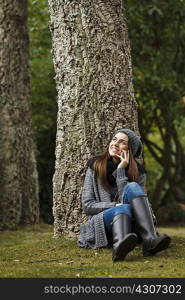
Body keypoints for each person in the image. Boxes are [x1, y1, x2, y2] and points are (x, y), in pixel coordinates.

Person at [77, 128, 171, 262]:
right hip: (103, 224)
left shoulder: (139, 172)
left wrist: (121, 170)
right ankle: (119, 245)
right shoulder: (95, 166)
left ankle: (149, 241)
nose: (115, 144)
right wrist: (115, 205)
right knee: (123, 207)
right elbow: (87, 206)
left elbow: (143, 204)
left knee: (132, 188)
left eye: (122, 142)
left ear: (130, 150)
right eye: (114, 139)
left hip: (130, 227)